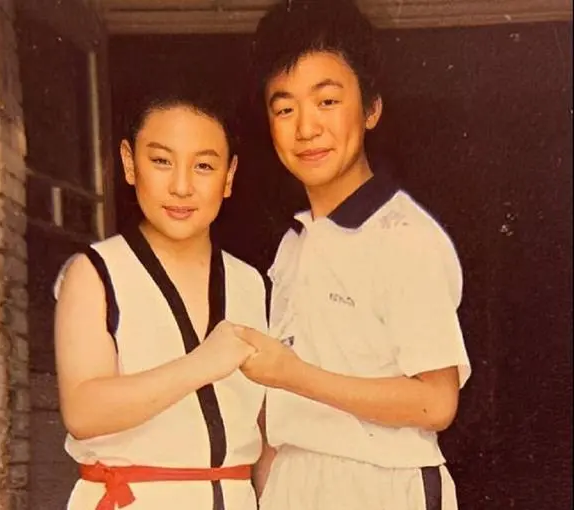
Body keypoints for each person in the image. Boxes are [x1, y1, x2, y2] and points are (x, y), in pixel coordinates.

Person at [238, 1, 472, 509]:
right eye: (285, 108)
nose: (305, 128)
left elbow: (436, 401)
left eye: (327, 101)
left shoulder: (403, 236)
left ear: (371, 109)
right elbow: (280, 415)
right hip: (294, 484)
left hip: (382, 485)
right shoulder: (294, 243)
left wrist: (293, 374)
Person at [53, 89, 267, 510]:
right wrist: (201, 364)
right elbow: (82, 412)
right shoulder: (95, 272)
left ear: (229, 176)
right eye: (162, 161)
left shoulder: (253, 284)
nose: (181, 187)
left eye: (203, 166)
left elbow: (268, 431)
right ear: (129, 163)